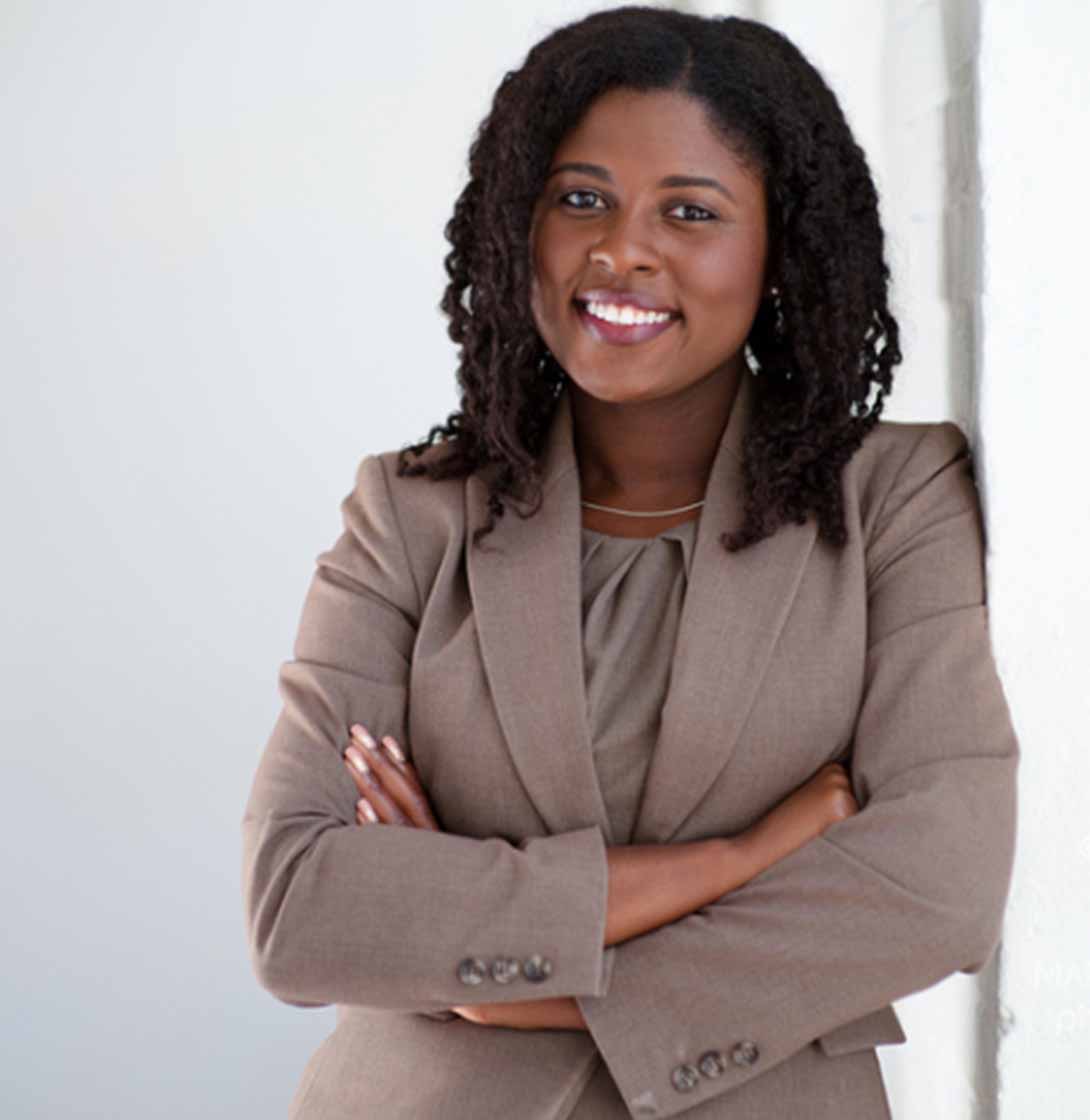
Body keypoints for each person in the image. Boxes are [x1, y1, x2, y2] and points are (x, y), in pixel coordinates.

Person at [241, 8, 1019, 1118]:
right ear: (523, 223)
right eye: (580, 198)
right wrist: (748, 853)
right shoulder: (410, 515)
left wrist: (519, 979)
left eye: (689, 211)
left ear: (779, 246)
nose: (621, 250)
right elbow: (300, 908)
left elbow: (937, 887)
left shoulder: (891, 498)